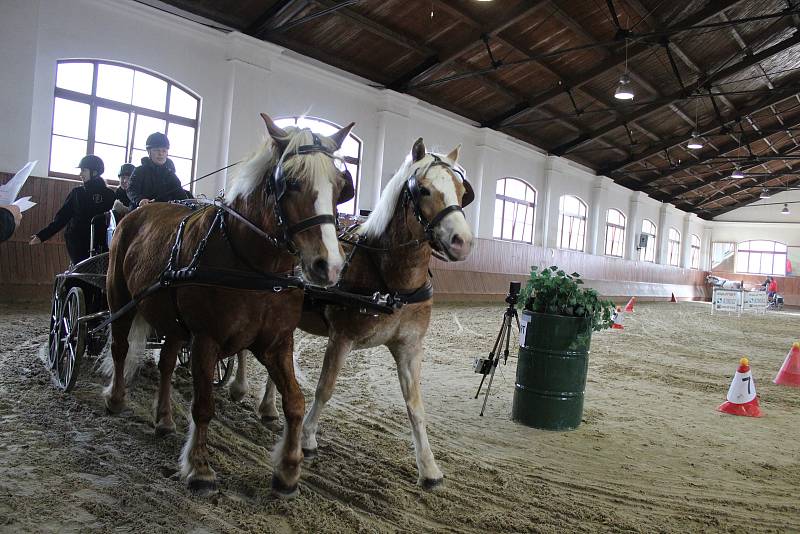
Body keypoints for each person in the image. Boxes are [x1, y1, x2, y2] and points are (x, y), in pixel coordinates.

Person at [29, 155, 116, 265]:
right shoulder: (77, 193)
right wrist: (42, 235)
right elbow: (62, 217)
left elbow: (114, 220)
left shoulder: (109, 195)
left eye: (83, 170)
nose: (80, 174)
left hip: (101, 244)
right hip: (78, 244)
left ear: (94, 172)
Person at [127, 132, 192, 207]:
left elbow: (181, 196)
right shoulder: (139, 171)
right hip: (141, 211)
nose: (160, 154)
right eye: (157, 150)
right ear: (149, 152)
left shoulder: (171, 176)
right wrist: (140, 200)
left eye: (164, 151)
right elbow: (131, 190)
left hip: (164, 213)